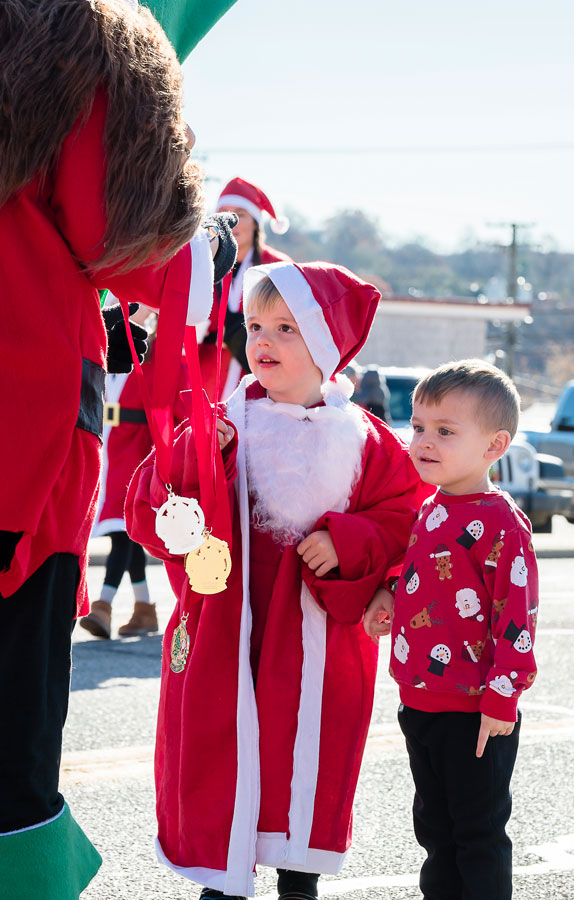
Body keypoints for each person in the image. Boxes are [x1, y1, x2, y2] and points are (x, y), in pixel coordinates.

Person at [0, 1, 237, 895]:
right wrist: (199, 231)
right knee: (13, 732)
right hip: (20, 426)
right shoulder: (70, 35)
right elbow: (123, 237)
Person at [126, 260, 431, 898]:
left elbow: (406, 521)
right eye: (256, 325)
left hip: (318, 643)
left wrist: (349, 539)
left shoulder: (367, 442)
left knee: (306, 761)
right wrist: (189, 478)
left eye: (286, 328)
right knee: (221, 752)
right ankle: (221, 880)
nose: (262, 340)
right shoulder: (223, 424)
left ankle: (298, 878)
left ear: (324, 342)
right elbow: (156, 509)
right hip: (229, 634)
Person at [363, 359, 539, 900]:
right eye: (418, 426)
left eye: (444, 431)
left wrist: (502, 699)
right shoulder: (431, 508)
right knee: (436, 832)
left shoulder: (502, 523)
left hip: (476, 713)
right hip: (419, 701)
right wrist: (389, 592)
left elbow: (517, 618)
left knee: (477, 836)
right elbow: (420, 569)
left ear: (494, 446)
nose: (423, 441)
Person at [80, 306, 191, 639]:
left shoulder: (165, 353)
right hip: (104, 444)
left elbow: (182, 408)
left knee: (123, 528)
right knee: (126, 530)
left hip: (136, 451)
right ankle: (144, 608)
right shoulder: (107, 335)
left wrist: (173, 457)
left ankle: (103, 603)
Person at [198, 177, 293, 400]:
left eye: (240, 215)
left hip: (259, 381)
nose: (231, 221)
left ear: (255, 223)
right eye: (224, 213)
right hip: (204, 378)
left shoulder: (278, 267)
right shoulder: (200, 262)